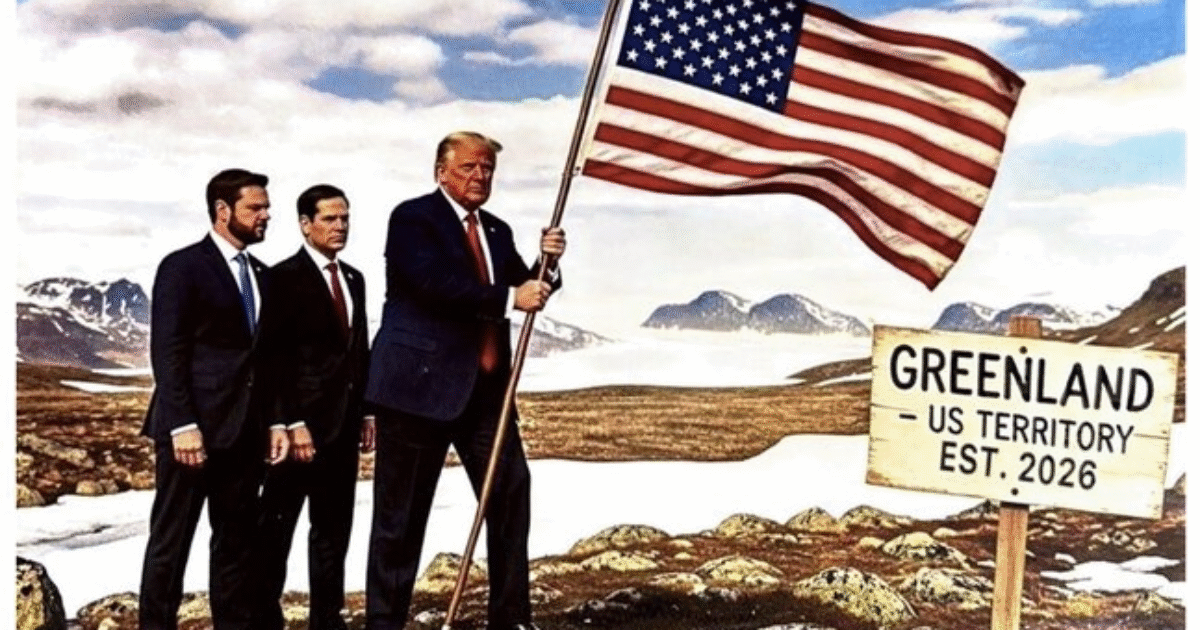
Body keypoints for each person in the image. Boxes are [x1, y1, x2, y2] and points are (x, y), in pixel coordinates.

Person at [363, 131, 566, 630]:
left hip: (486, 395)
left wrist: (548, 264)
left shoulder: (496, 230)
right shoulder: (412, 218)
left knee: (511, 493)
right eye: (470, 168)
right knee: (401, 522)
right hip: (416, 392)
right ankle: (385, 625)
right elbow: (432, 284)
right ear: (441, 171)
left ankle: (511, 619)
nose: (480, 177)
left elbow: (523, 284)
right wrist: (507, 299)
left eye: (488, 170)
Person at [139, 168, 289, 630]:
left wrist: (276, 422)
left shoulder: (263, 275)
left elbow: (269, 360)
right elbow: (168, 351)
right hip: (192, 434)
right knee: (171, 544)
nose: (266, 215)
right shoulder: (182, 267)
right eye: (255, 208)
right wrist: (182, 424)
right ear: (223, 211)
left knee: (235, 546)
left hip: (244, 435)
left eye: (267, 207)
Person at [254, 184, 374, 630]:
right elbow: (272, 357)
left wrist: (366, 412)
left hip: (343, 428)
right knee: (276, 530)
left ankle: (328, 621)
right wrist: (290, 420)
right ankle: (265, 619)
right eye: (329, 219)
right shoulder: (281, 278)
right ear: (305, 224)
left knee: (332, 532)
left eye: (345, 218)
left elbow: (357, 350)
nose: (340, 226)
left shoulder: (355, 278)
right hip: (298, 432)